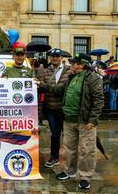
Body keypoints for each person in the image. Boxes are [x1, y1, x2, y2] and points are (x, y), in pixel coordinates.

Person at [55, 53, 104, 189]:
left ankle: (85, 176)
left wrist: (93, 120)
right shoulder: (72, 77)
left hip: (85, 121)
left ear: (81, 65)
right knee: (69, 148)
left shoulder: (93, 79)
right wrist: (40, 85)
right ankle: (70, 171)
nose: (71, 64)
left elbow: (99, 101)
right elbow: (58, 90)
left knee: (86, 149)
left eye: (74, 62)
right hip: (68, 119)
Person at [38, 48, 72, 168]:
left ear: (61, 58)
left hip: (65, 108)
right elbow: (41, 87)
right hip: (51, 108)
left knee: (68, 135)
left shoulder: (69, 70)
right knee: (55, 134)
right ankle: (54, 157)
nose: (55, 58)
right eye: (53, 56)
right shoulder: (46, 71)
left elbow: (63, 88)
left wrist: (46, 86)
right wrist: (45, 86)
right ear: (50, 58)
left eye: (57, 56)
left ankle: (70, 159)